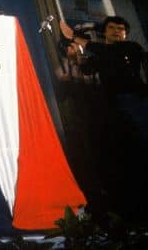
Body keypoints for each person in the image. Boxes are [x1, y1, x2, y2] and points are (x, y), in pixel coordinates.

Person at [60, 16, 148, 221]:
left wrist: (74, 36)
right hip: (113, 107)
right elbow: (87, 68)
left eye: (121, 28)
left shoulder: (131, 48)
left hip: (136, 101)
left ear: (126, 34)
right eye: (112, 28)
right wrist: (76, 57)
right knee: (127, 153)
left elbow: (110, 53)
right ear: (105, 32)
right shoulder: (103, 54)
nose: (117, 31)